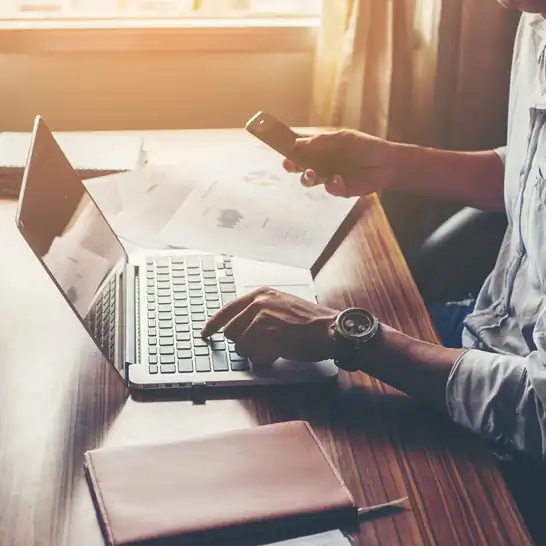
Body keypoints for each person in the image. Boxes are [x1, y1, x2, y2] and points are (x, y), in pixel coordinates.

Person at [202, 1, 546, 540]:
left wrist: (348, 337)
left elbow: (537, 412)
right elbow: (528, 167)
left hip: (519, 437)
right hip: (481, 334)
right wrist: (395, 162)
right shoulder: (535, 17)